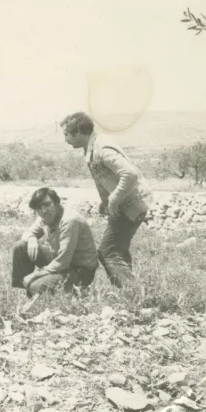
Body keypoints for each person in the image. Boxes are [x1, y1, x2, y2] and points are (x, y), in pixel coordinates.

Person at [60, 112, 151, 289]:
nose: (65, 140)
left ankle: (132, 294)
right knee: (118, 250)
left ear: (79, 132)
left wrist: (114, 199)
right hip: (125, 204)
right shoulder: (92, 147)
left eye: (66, 134)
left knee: (108, 251)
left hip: (130, 205)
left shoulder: (102, 147)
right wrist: (106, 200)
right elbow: (106, 177)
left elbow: (129, 174)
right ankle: (130, 293)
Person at [12, 187, 99, 301]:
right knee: (20, 247)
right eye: (38, 208)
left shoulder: (69, 221)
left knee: (34, 286)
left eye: (47, 204)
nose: (43, 210)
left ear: (57, 203)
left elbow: (63, 261)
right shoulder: (45, 217)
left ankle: (79, 290)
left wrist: (35, 274)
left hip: (80, 270)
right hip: (60, 261)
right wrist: (32, 238)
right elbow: (27, 233)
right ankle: (23, 290)